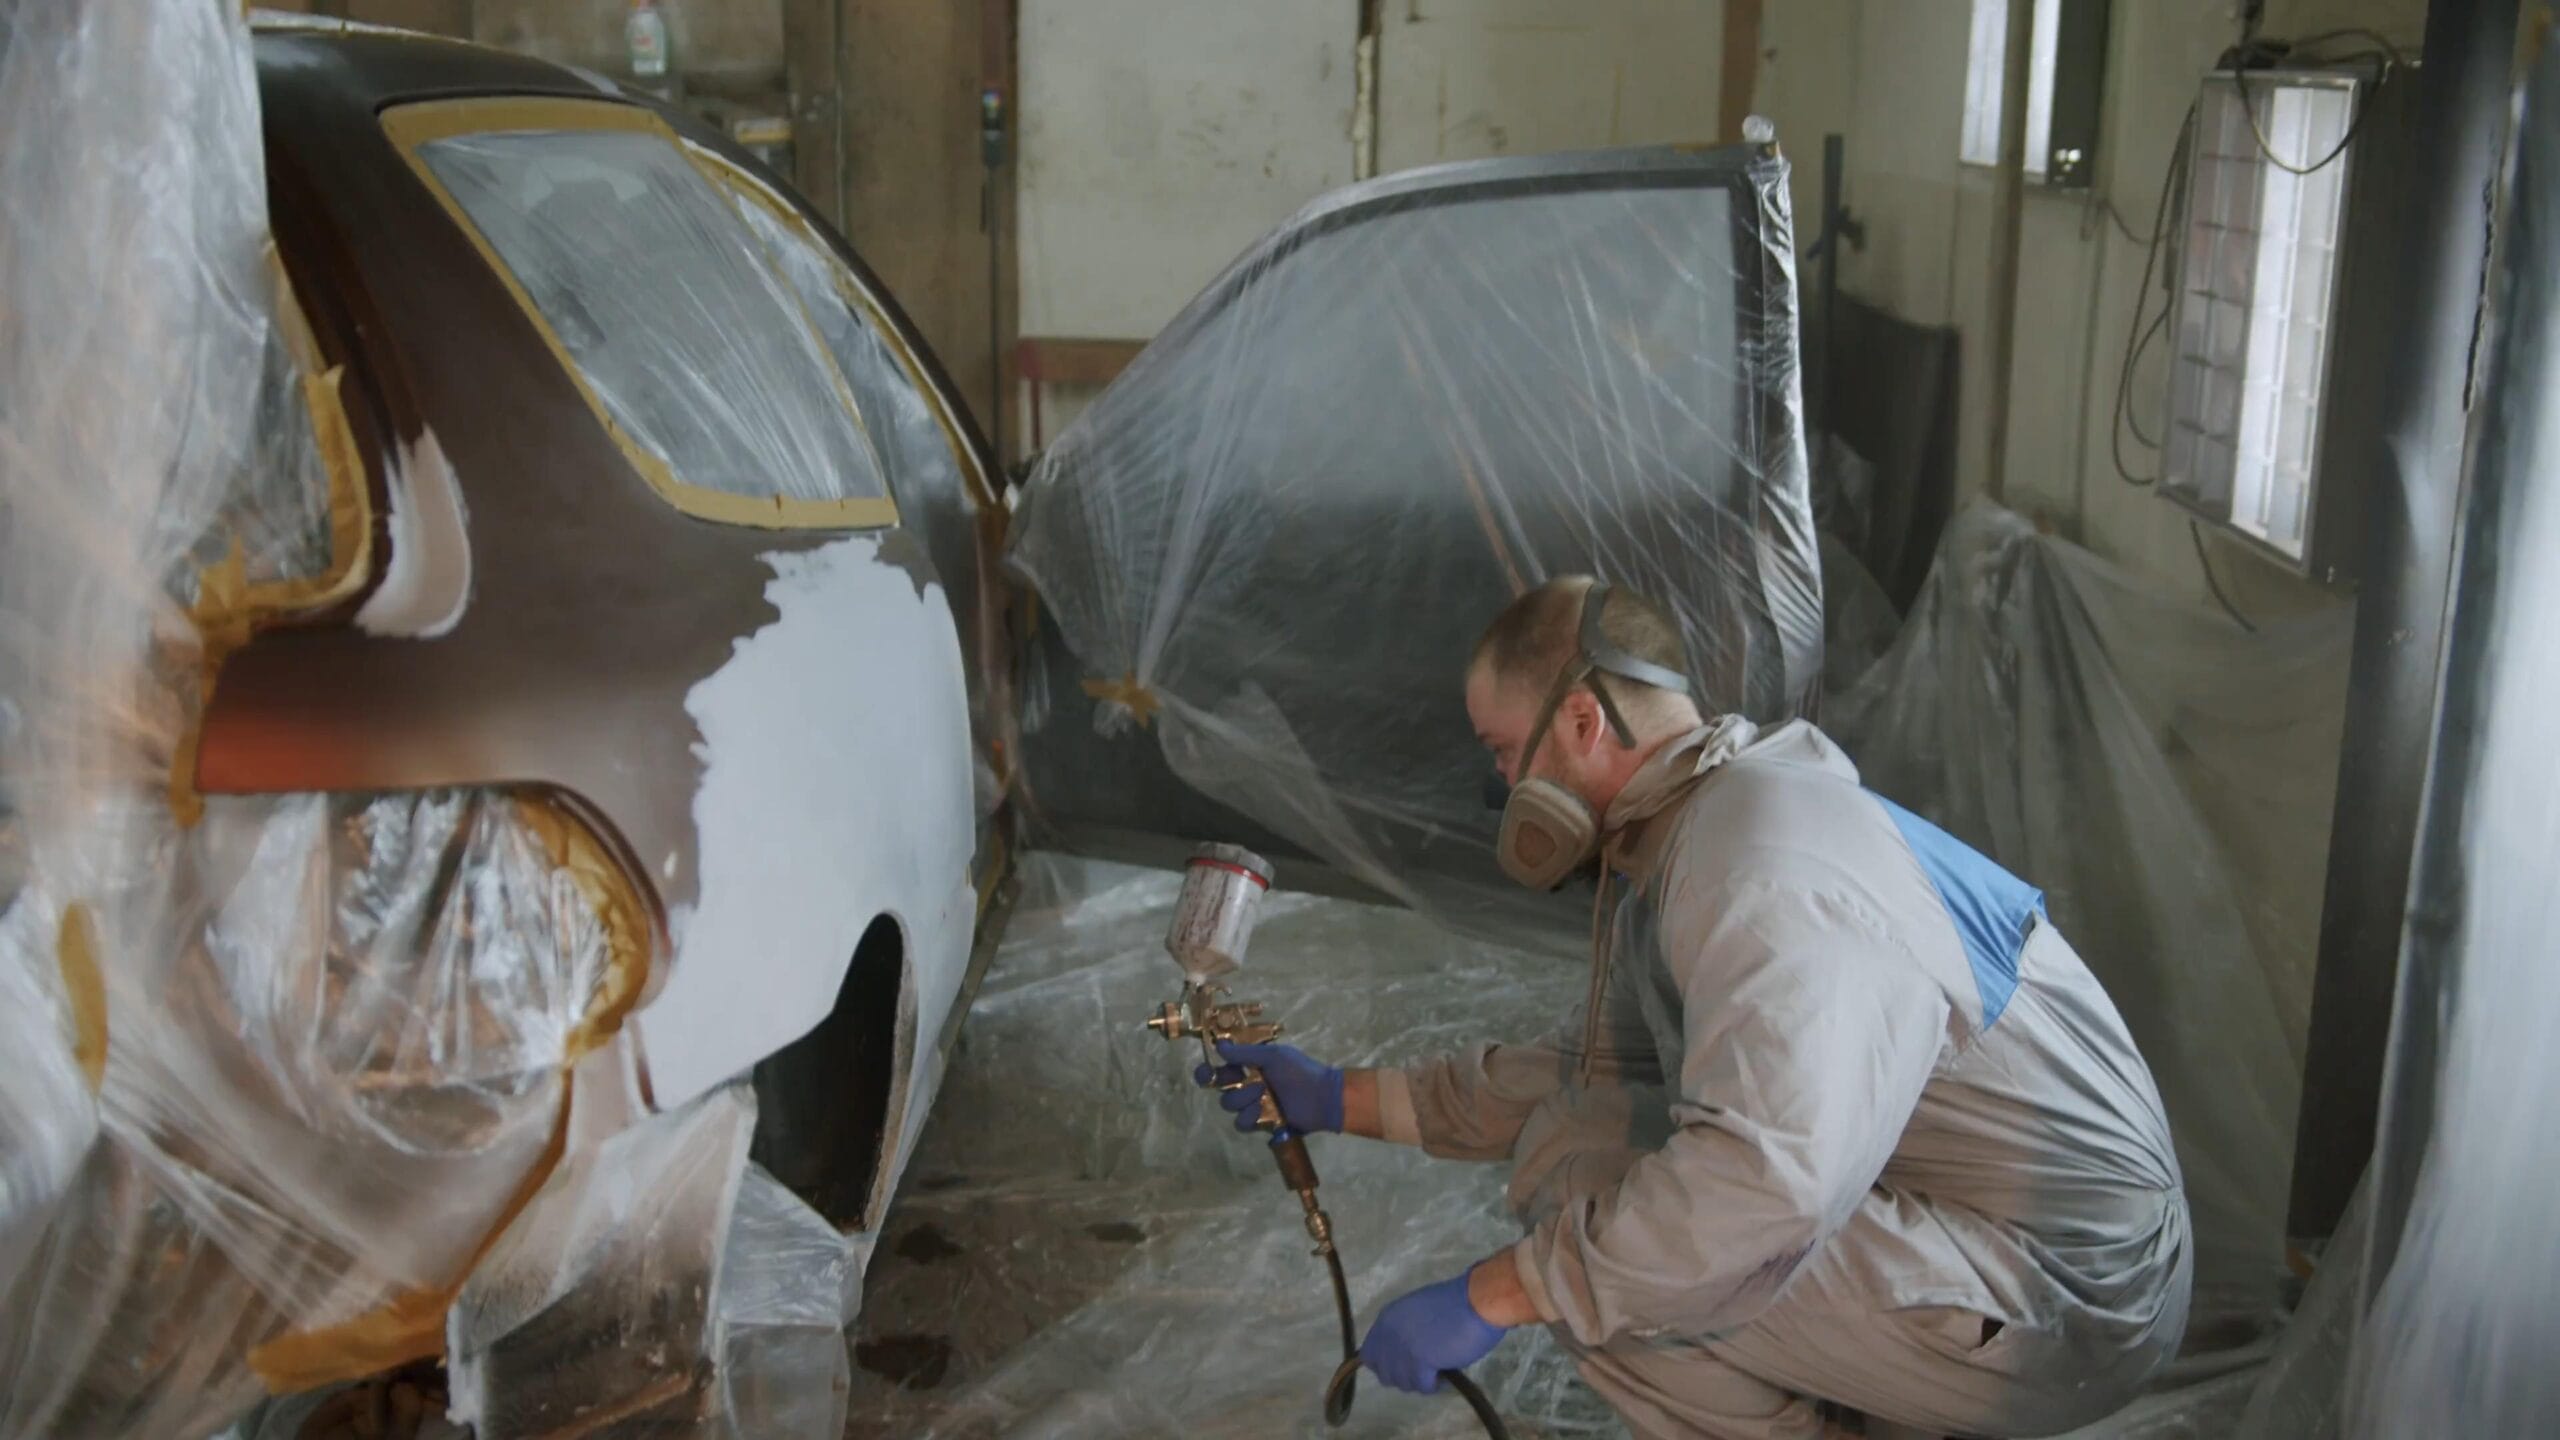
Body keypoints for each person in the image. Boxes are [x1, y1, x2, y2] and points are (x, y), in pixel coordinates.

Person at [1202, 576, 2191, 1440]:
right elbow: (1592, 1076)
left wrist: (1501, 1292)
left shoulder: (1757, 864)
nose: (1501, 785)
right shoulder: (1693, 835)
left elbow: (1765, 1182)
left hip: (2072, 1293)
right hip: (1995, 1245)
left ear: (1584, 725)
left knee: (1604, 1242)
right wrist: (1341, 1099)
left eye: (1503, 751)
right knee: (1592, 1149)